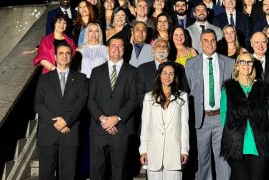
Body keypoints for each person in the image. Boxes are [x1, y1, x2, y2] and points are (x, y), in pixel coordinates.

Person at [185, 29, 234, 180]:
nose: (210, 43)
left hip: (222, 118)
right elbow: (187, 91)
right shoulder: (190, 63)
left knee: (223, 160)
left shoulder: (229, 63)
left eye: (213, 40)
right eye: (206, 40)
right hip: (201, 119)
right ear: (200, 43)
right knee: (202, 160)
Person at [34, 42, 88, 180]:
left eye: (68, 53)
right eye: (61, 53)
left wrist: (66, 121)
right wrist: (56, 122)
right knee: (45, 175)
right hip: (47, 133)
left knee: (68, 175)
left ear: (71, 57)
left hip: (69, 132)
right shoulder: (44, 78)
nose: (65, 56)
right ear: (55, 57)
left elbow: (81, 103)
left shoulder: (81, 79)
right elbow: (38, 104)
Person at [87, 36, 138, 180]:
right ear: (108, 49)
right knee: (97, 172)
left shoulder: (133, 72)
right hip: (98, 129)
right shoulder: (96, 71)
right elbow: (90, 99)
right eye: (113, 46)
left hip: (122, 129)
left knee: (120, 172)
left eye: (120, 46)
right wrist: (103, 119)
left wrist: (116, 118)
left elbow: (134, 99)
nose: (117, 48)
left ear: (124, 50)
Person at [220, 52, 269, 180]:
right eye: (242, 62)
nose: (246, 65)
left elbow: (268, 115)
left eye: (249, 62)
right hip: (236, 145)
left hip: (259, 145)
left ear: (253, 66)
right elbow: (224, 117)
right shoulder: (228, 88)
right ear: (237, 66)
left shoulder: (262, 88)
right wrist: (233, 134)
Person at [139, 61, 190, 179]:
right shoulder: (149, 97)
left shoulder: (182, 97)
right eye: (165, 73)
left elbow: (184, 126)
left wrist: (184, 150)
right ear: (159, 75)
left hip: (174, 152)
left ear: (175, 76)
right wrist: (143, 150)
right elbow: (145, 125)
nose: (168, 77)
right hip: (153, 152)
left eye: (171, 74)